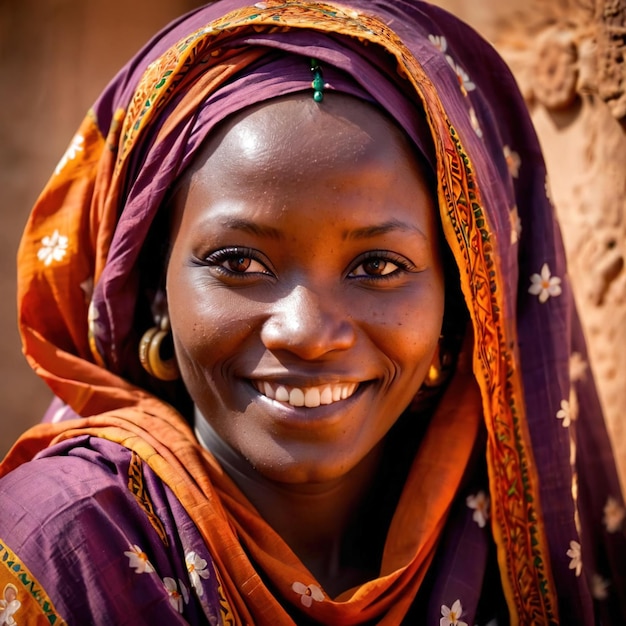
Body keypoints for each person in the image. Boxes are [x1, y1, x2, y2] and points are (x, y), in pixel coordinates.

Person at [0, 0, 624, 623]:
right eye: (239, 262)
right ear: (153, 286)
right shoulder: (60, 555)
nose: (305, 332)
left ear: (460, 305)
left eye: (377, 267)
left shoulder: (508, 556)